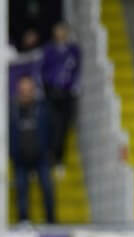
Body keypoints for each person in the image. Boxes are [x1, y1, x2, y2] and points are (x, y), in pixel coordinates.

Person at [9, 75, 55, 224]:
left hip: (40, 155)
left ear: (33, 90)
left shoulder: (42, 107)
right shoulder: (13, 109)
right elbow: (9, 132)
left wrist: (50, 151)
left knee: (47, 188)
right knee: (21, 190)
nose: (26, 93)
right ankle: (23, 220)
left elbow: (50, 129)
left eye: (29, 89)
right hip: (20, 157)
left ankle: (51, 220)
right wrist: (13, 152)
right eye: (23, 90)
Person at [41, 22, 80, 171]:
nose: (61, 34)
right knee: (51, 125)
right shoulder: (49, 50)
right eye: (58, 31)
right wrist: (47, 88)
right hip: (51, 93)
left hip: (66, 94)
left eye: (63, 31)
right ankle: (49, 156)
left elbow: (76, 70)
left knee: (64, 127)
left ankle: (59, 159)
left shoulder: (73, 50)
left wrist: (72, 87)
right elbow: (43, 71)